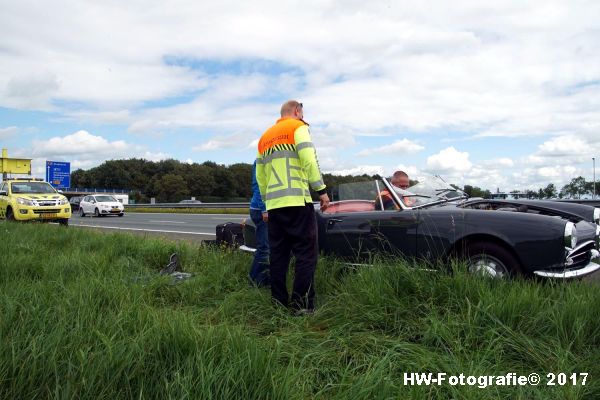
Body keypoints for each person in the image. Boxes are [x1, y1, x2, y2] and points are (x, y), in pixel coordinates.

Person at [255, 100, 330, 314]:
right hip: (297, 201)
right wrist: (321, 190)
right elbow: (309, 160)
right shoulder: (298, 127)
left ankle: (278, 304)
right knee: (306, 255)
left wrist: (266, 206)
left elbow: (260, 177)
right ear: (297, 111)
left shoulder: (264, 137)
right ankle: (301, 306)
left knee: (278, 256)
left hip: (275, 207)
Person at [248, 160, 270, 287]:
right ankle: (253, 279)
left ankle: (262, 279)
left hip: (260, 208)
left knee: (267, 247)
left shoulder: (262, 159)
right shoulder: (261, 160)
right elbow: (259, 186)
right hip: (260, 210)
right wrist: (264, 209)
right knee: (264, 248)